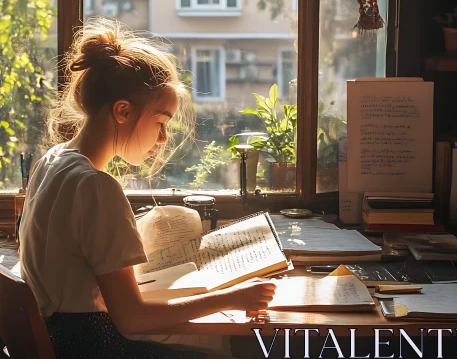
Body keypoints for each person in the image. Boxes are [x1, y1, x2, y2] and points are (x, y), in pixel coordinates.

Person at [19, 18, 276, 358]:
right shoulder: (96, 187)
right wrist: (232, 298)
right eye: (160, 121)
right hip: (94, 347)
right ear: (123, 111)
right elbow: (133, 321)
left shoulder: (53, 160)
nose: (163, 138)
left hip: (62, 340)